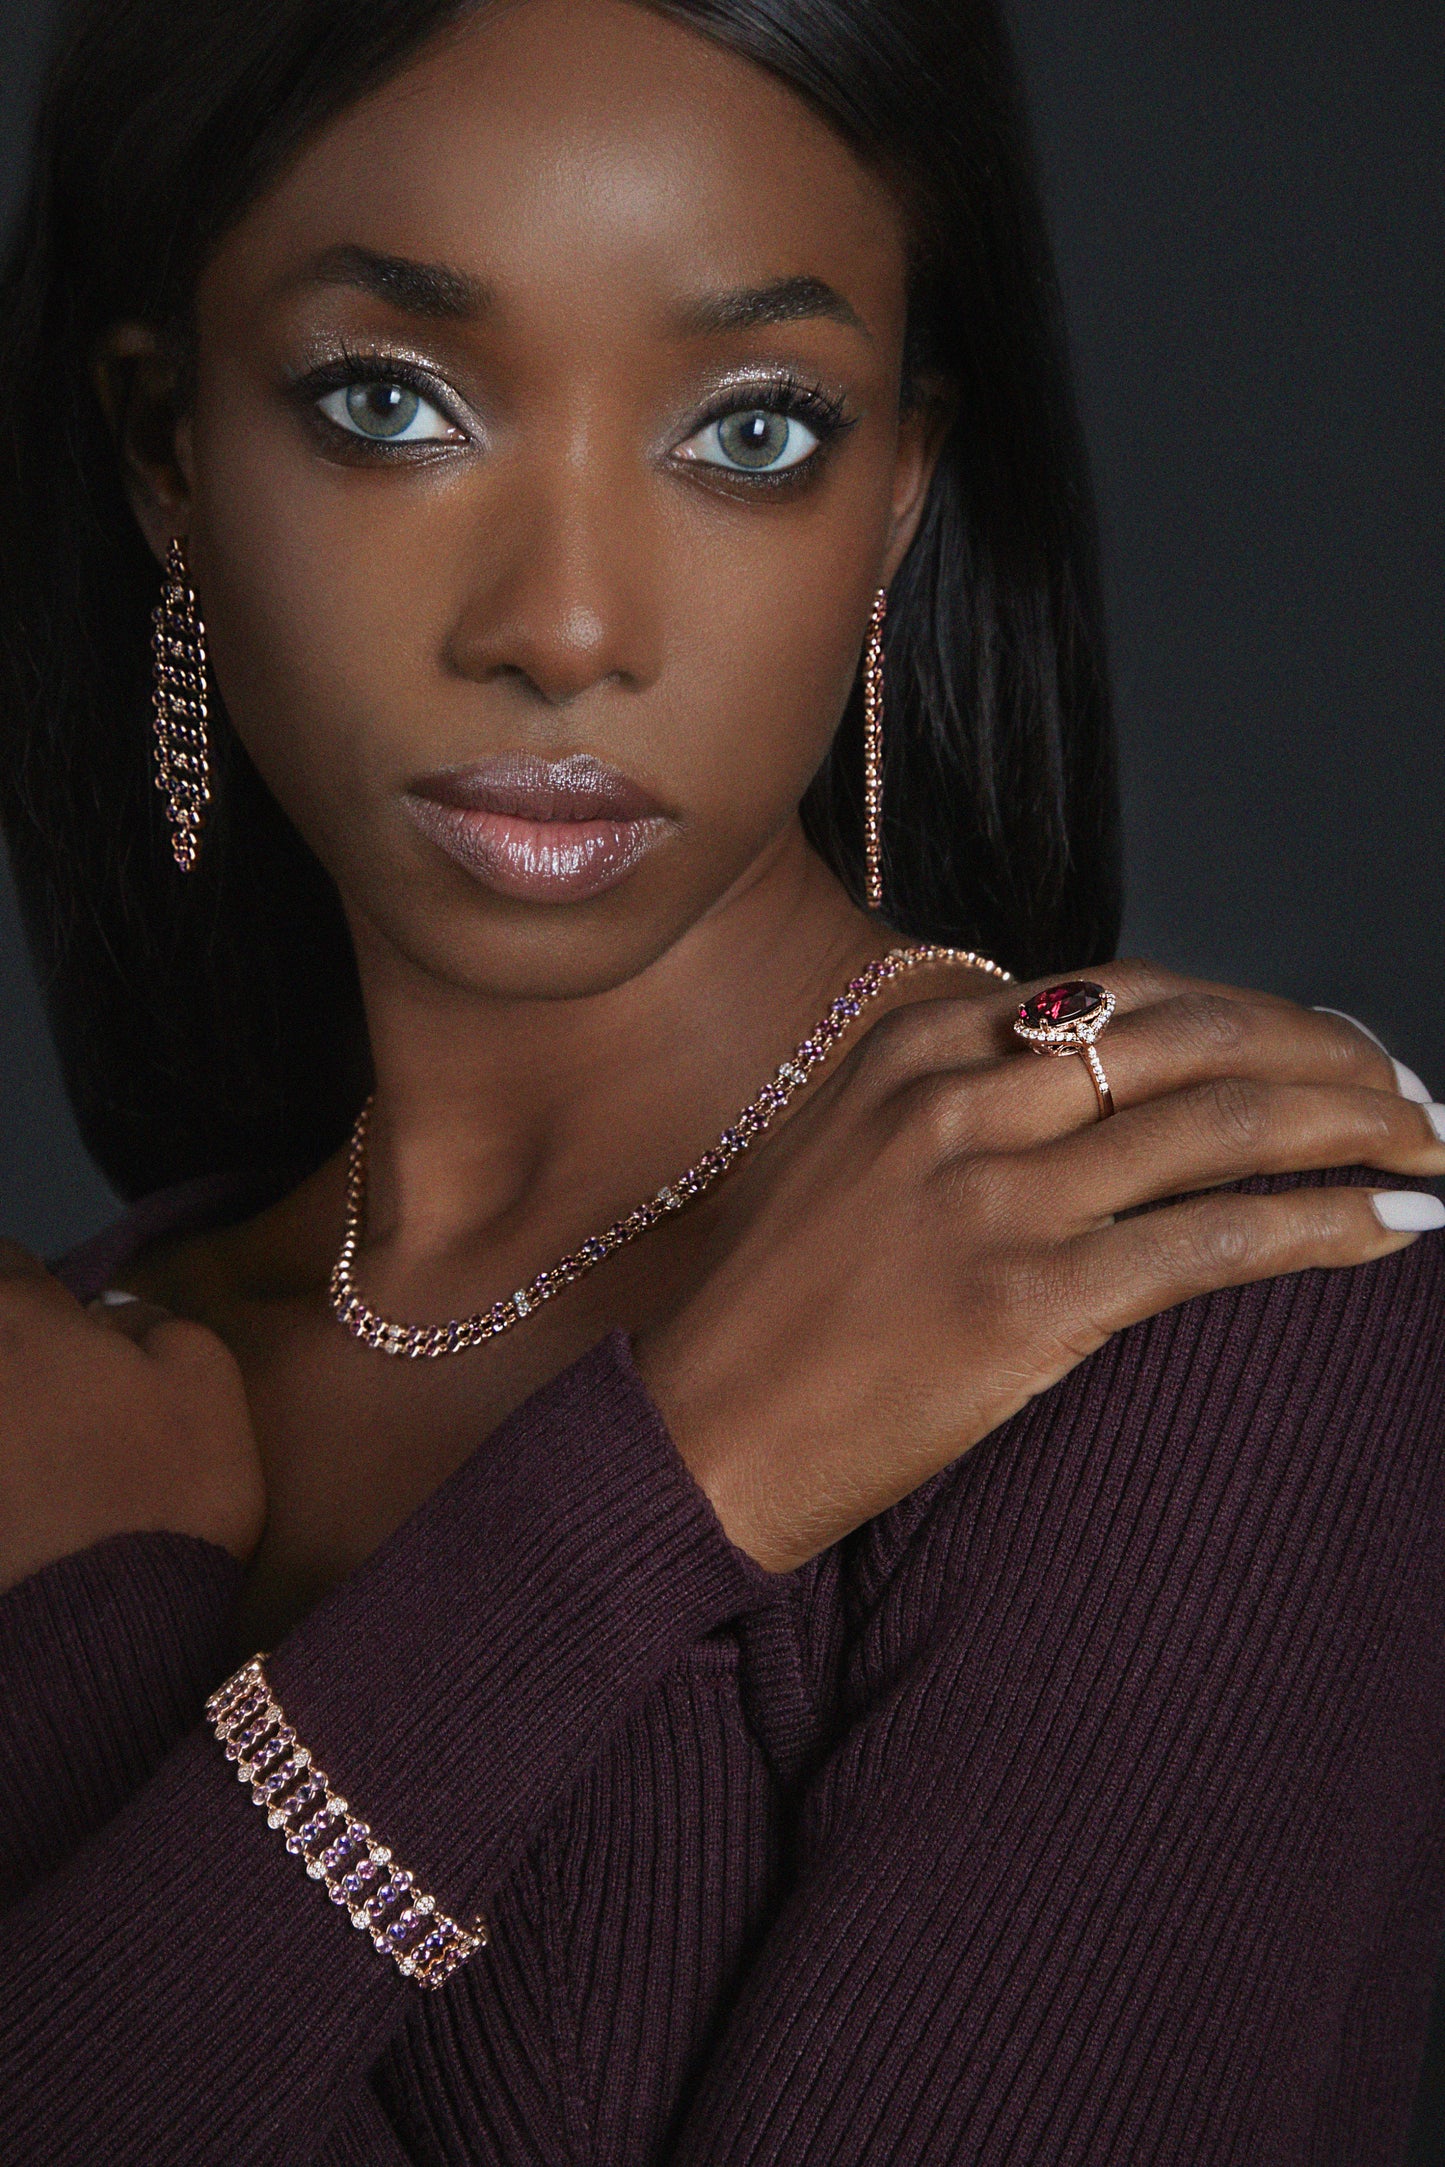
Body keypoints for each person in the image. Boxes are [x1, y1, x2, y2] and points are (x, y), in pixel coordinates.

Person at [0, 0, 1442, 2158]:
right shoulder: (75, 1392)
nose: (567, 623)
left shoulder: (1177, 1288)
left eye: (754, 429)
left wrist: (107, 1677)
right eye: (389, 401)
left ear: (898, 493)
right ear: (169, 454)